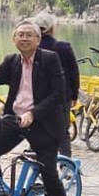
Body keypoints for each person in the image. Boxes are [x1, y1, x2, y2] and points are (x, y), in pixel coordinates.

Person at [0, 19, 69, 196]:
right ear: (14, 39)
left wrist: (33, 113)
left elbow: (58, 94)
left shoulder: (50, 59)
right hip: (15, 121)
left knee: (49, 174)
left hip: (43, 123)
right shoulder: (11, 61)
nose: (24, 38)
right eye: (20, 34)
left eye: (29, 35)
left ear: (38, 39)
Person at [34, 11, 80, 157]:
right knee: (62, 132)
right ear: (51, 28)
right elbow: (74, 72)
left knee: (39, 127)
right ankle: (66, 166)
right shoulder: (63, 47)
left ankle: (41, 161)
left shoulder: (31, 48)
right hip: (62, 96)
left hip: (38, 95)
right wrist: (74, 94)